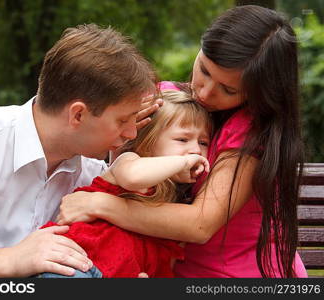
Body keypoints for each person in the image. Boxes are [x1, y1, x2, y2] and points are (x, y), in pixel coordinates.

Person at [57, 5, 308, 278]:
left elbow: (199, 225)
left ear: (259, 94)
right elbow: (122, 159)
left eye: (228, 89)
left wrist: (101, 205)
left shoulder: (250, 131)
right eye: (205, 70)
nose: (205, 91)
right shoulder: (172, 101)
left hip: (237, 275)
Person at [0, 24, 161, 277]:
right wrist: (11, 259)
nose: (131, 134)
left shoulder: (94, 174)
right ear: (78, 114)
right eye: (122, 121)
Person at [37, 84, 212, 278]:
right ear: (148, 141)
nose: (196, 150)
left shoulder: (175, 205)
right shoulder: (129, 162)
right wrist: (183, 162)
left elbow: (164, 258)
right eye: (182, 140)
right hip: (75, 263)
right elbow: (133, 178)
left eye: (203, 143)